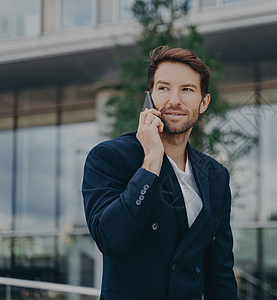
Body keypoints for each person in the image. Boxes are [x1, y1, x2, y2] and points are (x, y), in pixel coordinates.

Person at [82, 46, 238, 300]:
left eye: (187, 89)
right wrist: (152, 159)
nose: (174, 100)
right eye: (163, 88)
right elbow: (110, 239)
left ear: (204, 102)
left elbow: (219, 271)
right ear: (149, 97)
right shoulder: (109, 157)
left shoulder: (215, 175)